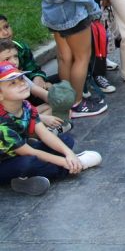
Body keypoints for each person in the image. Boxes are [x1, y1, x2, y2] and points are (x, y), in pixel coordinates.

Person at [0, 61, 102, 196]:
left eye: (20, 79)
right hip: (6, 163)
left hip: (17, 153)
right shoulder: (2, 123)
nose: (21, 84)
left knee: (66, 141)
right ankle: (75, 166)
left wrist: (68, 153)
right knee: (28, 162)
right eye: (12, 83)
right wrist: (65, 162)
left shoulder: (25, 105)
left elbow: (44, 133)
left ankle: (23, 180)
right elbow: (28, 152)